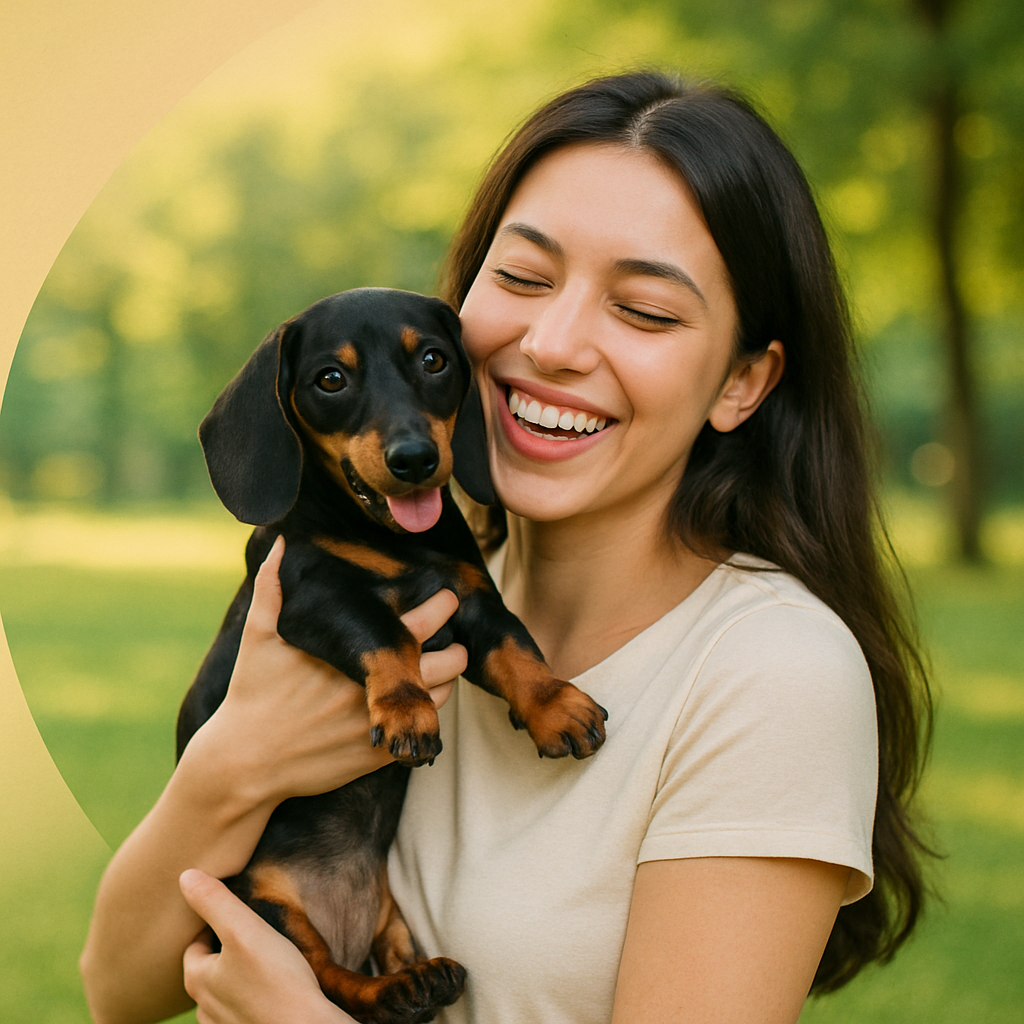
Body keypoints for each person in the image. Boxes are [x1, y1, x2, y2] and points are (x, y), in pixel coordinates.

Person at [79, 70, 933, 1024]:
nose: (555, 343)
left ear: (742, 380)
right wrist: (232, 764)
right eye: (523, 277)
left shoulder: (770, 676)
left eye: (645, 309)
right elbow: (118, 991)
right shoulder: (395, 599)